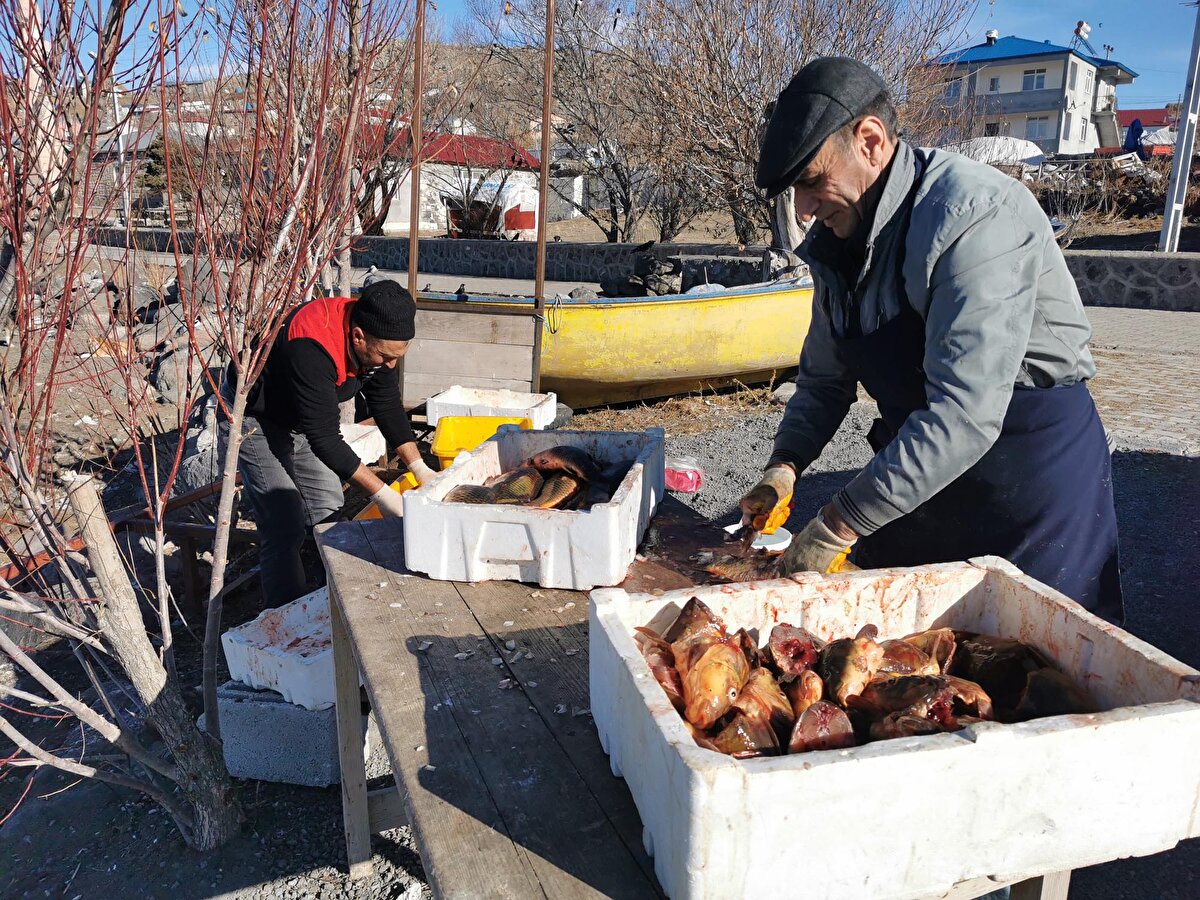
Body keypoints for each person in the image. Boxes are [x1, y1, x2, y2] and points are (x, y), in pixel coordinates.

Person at [744, 57, 1122, 621]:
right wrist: (786, 463)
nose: (803, 209)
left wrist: (838, 523)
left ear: (869, 140)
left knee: (1035, 664)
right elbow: (825, 379)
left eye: (811, 182)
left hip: (1028, 478)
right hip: (924, 470)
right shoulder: (837, 243)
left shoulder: (973, 214)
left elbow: (964, 415)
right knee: (895, 647)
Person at [220, 279, 435, 606]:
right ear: (358, 337)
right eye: (386, 356)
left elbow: (387, 405)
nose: (391, 364)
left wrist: (420, 469)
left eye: (398, 357)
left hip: (302, 416)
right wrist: (385, 495)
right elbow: (324, 439)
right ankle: (287, 618)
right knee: (285, 520)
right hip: (254, 417)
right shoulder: (311, 344)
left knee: (329, 509)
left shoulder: (378, 338)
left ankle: (334, 601)